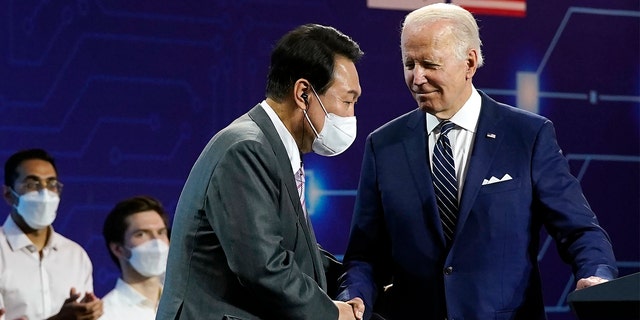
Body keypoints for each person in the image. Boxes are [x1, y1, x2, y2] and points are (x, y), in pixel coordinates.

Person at [336, 4, 617, 319]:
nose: (417, 78)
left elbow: (579, 230)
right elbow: (364, 256)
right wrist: (354, 298)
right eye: (409, 63)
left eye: (429, 64)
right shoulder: (383, 144)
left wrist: (597, 275)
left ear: (469, 62)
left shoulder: (527, 135)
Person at [156, 23, 365, 320]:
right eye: (347, 101)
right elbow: (263, 266)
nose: (350, 115)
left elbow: (292, 253)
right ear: (303, 93)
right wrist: (332, 313)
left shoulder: (275, 149)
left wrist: (356, 283)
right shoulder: (246, 149)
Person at [0, 148, 103, 320]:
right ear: (9, 195)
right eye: (32, 185)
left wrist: (89, 312)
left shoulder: (75, 255)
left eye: (52, 184)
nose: (44, 193)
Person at [100, 195, 170, 320]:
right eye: (141, 234)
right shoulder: (105, 314)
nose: (156, 242)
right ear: (118, 249)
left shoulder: (185, 306)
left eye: (161, 232)